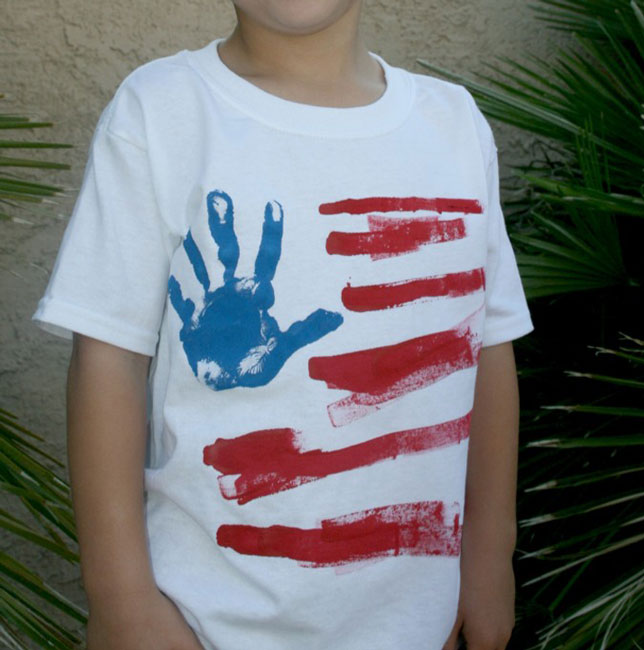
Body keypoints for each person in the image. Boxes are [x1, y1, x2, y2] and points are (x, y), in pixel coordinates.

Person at [33, 1, 534, 649]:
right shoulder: (162, 110)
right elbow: (107, 360)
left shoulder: (453, 122)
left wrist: (490, 555)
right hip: (202, 622)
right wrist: (121, 597)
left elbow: (487, 348)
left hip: (416, 623)